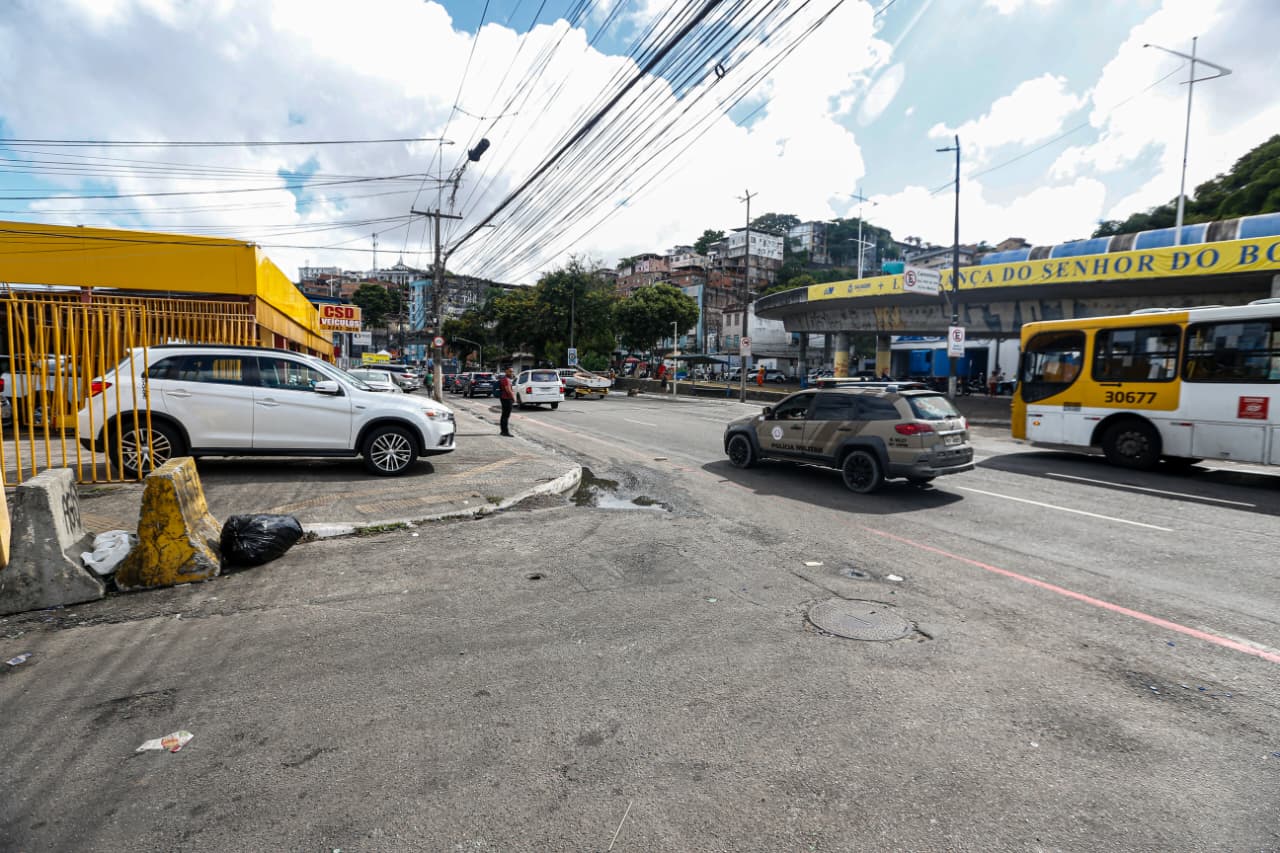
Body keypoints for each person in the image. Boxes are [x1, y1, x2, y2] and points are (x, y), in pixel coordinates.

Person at [498, 367, 515, 437]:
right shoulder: (506, 379)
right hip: (506, 399)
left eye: (512, 371)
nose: (512, 373)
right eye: (510, 371)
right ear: (506, 371)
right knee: (506, 416)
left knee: (504, 415)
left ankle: (503, 431)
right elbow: (508, 390)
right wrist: (513, 398)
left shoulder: (506, 379)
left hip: (504, 398)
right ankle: (505, 432)